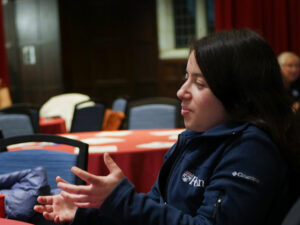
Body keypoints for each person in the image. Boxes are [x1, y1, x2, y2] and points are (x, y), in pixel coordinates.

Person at [34, 29, 299, 225]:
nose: (181, 91)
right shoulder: (195, 140)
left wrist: (120, 200)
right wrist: (85, 214)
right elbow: (157, 210)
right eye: (186, 78)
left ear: (240, 93)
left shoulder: (252, 151)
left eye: (200, 83)